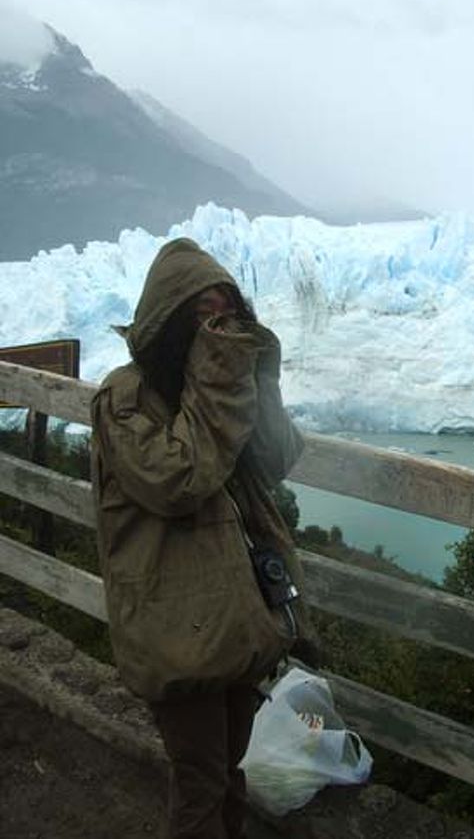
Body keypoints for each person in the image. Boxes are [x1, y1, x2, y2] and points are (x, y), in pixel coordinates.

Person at [90, 237, 317, 839]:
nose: (214, 330)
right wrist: (220, 376)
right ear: (164, 320)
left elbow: (274, 459)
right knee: (201, 782)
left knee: (229, 774)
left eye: (225, 316)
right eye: (200, 316)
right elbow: (179, 478)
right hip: (176, 630)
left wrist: (255, 373)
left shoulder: (217, 389)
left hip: (235, 621)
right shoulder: (125, 397)